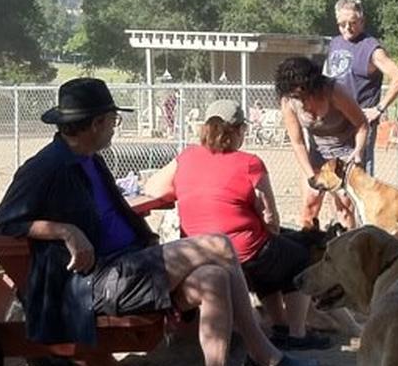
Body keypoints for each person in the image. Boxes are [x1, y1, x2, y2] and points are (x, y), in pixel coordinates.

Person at [0, 78, 321, 366]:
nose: (115, 128)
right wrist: (64, 230)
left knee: (215, 278)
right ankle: (264, 354)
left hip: (130, 265)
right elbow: (6, 220)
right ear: (96, 123)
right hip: (95, 282)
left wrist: (142, 237)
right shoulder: (47, 166)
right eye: (113, 121)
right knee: (218, 244)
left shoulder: (89, 159)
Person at [141, 99, 329, 352]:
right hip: (243, 252)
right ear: (240, 130)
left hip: (198, 251)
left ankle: (280, 324)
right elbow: (271, 219)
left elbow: (152, 187)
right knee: (297, 256)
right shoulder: (250, 163)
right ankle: (297, 333)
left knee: (274, 253)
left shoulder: (186, 157)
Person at [275, 56, 370, 229]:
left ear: (312, 85)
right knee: (310, 204)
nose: (301, 100)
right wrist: (311, 176)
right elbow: (298, 143)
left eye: (303, 94)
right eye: (295, 96)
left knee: (344, 207)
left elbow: (362, 124)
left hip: (345, 153)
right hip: (317, 153)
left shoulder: (334, 92)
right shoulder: (289, 101)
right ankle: (309, 243)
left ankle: (346, 241)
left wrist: (358, 152)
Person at [323, 0, 398, 175]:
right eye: (342, 24)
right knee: (333, 176)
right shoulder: (335, 43)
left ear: (362, 21)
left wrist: (379, 109)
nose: (347, 28)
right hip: (335, 121)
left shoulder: (371, 48)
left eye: (352, 23)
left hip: (358, 123)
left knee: (358, 175)